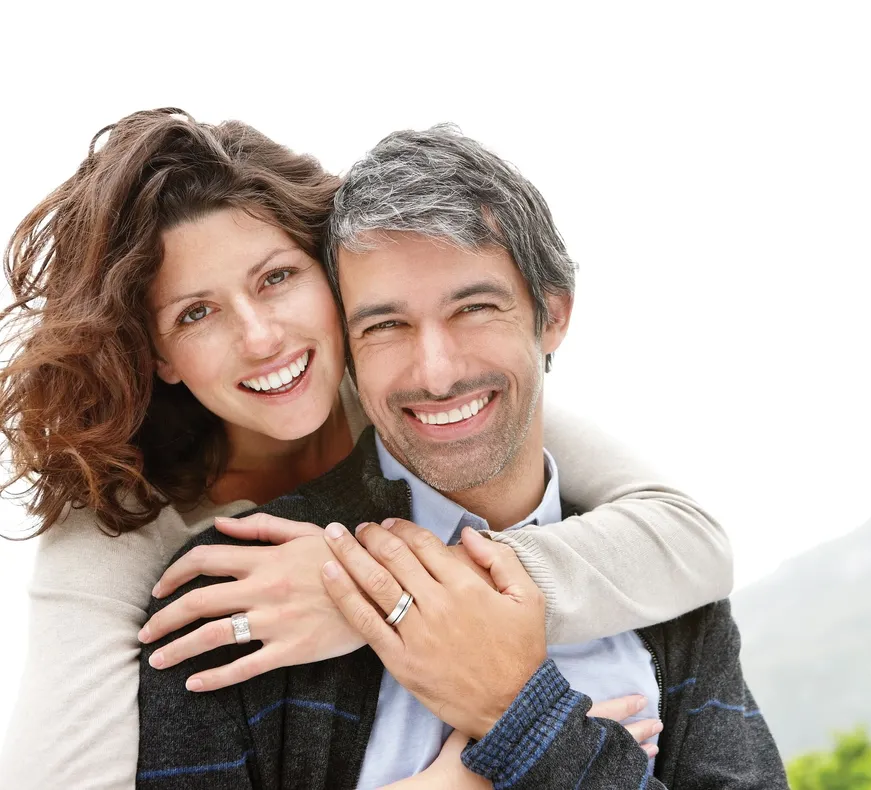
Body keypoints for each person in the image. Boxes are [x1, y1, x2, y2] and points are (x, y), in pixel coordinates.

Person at [0, 110, 734, 789]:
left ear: (332, 274)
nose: (262, 339)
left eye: (278, 278)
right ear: (157, 353)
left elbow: (692, 541)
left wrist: (374, 595)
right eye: (197, 313)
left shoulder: (419, 395)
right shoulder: (118, 527)